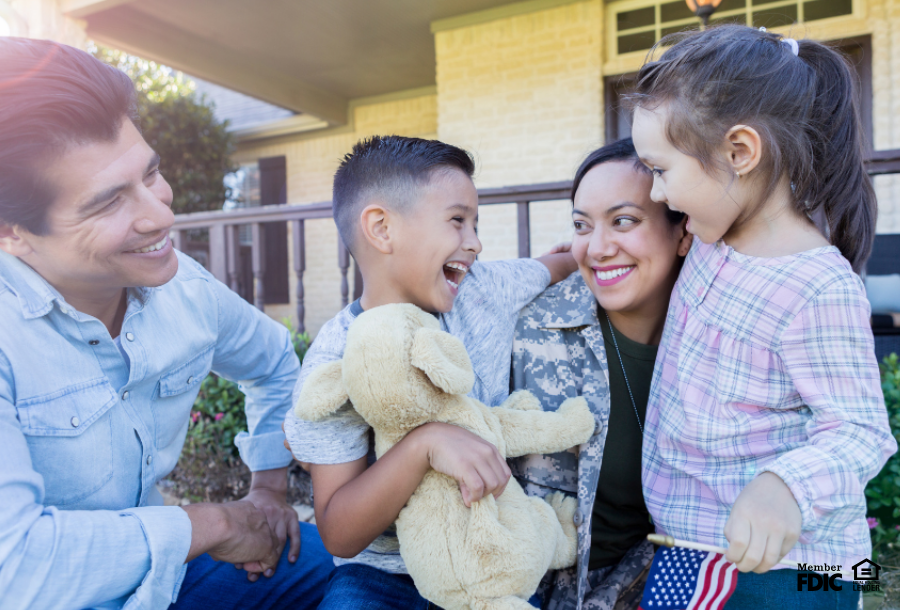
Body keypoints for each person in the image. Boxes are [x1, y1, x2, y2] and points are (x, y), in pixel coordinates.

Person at [0, 38, 333, 610]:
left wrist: (269, 488)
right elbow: (16, 570)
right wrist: (217, 524)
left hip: (166, 584)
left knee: (373, 566)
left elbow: (278, 363)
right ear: (12, 233)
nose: (161, 214)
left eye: (150, 173)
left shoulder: (187, 290)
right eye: (108, 204)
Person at [628, 25, 897, 608]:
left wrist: (786, 486)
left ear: (740, 153)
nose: (653, 194)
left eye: (661, 169)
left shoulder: (815, 283)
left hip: (797, 567)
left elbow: (860, 429)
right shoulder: (707, 240)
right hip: (693, 541)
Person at [283, 135, 578, 609]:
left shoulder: (485, 290)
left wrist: (587, 245)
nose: (476, 243)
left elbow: (559, 263)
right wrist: (425, 445)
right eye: (457, 221)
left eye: (475, 223)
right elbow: (338, 532)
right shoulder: (336, 360)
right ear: (381, 229)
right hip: (382, 579)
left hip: (493, 564)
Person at [510, 138, 692, 610]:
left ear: (683, 231)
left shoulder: (720, 340)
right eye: (581, 225)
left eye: (624, 220)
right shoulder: (531, 327)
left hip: (670, 583)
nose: (598, 247)